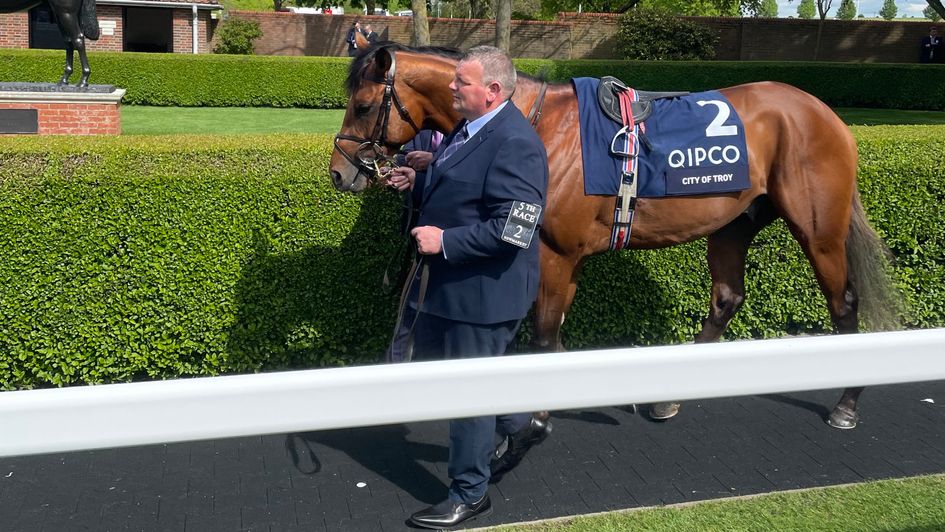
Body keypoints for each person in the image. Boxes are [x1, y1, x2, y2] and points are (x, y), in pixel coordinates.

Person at [386, 46, 551, 530]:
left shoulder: (517, 142)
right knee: (453, 377)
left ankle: (470, 494)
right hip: (452, 289)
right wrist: (417, 182)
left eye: (462, 81)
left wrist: (446, 241)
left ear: (493, 91)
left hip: (484, 297)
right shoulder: (469, 126)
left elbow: (516, 228)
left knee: (468, 395)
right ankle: (521, 424)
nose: (452, 87)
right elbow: (462, 191)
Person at [383, 129, 443, 364]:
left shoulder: (467, 128)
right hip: (418, 238)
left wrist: (433, 160)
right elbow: (404, 155)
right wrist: (396, 172)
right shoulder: (423, 123)